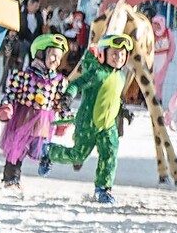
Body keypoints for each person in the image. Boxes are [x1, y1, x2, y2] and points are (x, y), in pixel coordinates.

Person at [49, 31, 134, 204]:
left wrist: (123, 110)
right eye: (114, 54)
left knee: (109, 153)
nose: (118, 58)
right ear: (103, 54)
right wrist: (68, 96)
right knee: (78, 156)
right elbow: (77, 83)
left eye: (122, 55)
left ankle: (103, 189)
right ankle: (48, 151)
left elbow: (115, 97)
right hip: (88, 123)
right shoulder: (97, 73)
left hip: (108, 125)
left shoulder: (121, 75)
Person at [0, 33, 70, 188]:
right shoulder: (24, 76)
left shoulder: (58, 81)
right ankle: (11, 177)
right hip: (24, 117)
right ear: (40, 53)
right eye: (52, 56)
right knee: (18, 148)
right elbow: (11, 93)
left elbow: (59, 101)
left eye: (59, 58)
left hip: (44, 119)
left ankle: (46, 159)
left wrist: (64, 117)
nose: (56, 61)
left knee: (41, 147)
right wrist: (6, 106)